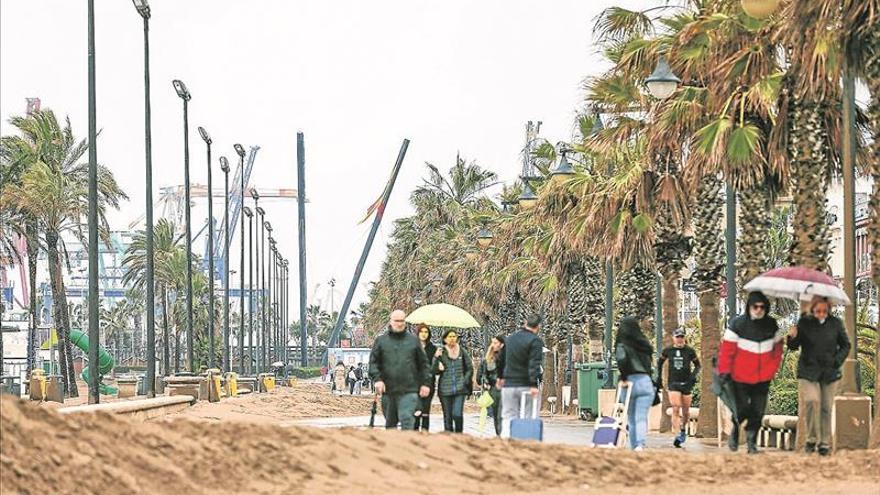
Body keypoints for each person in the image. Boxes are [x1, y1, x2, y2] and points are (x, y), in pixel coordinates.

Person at [717, 291, 783, 454]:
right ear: (749, 307)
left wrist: (771, 369)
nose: (759, 310)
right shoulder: (737, 324)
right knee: (741, 409)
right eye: (755, 306)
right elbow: (727, 351)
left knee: (758, 411)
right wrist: (725, 371)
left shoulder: (772, 325)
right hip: (739, 376)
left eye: (762, 307)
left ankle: (751, 443)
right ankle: (736, 430)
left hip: (763, 377)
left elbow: (778, 350)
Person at [787, 296, 851, 456]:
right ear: (813, 310)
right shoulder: (804, 323)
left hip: (829, 372)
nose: (821, 314)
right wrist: (792, 336)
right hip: (808, 371)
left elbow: (845, 345)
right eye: (817, 311)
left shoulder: (836, 323)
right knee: (812, 400)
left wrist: (837, 361)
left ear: (828, 310)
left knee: (826, 408)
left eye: (824, 311)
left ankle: (824, 443)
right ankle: (811, 439)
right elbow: (793, 347)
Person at [368, 310, 432, 430]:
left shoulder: (413, 341)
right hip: (388, 390)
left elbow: (424, 365)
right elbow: (373, 363)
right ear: (391, 322)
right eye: (397, 321)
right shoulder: (381, 341)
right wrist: (377, 380)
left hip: (409, 390)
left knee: (407, 419)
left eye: (402, 321)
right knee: (390, 424)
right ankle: (395, 448)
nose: (399, 324)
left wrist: (425, 384)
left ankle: (407, 447)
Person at [499, 314, 544, 438]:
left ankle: (506, 439)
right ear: (538, 326)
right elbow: (534, 363)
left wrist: (500, 377)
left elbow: (501, 359)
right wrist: (534, 384)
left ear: (525, 323)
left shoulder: (510, 339)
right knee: (528, 415)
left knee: (508, 415)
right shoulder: (535, 341)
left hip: (508, 385)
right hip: (525, 386)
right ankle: (525, 440)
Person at [616, 316, 656, 451]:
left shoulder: (622, 344)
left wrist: (624, 376)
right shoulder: (644, 344)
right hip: (645, 382)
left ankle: (634, 447)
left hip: (629, 383)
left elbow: (622, 360)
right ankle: (639, 444)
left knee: (631, 418)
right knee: (641, 417)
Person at [657, 327, 701, 448]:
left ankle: (682, 430)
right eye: (677, 337)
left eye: (682, 337)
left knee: (686, 412)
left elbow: (698, 365)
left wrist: (693, 377)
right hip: (673, 383)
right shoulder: (668, 350)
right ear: (673, 338)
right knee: (676, 407)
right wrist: (659, 378)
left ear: (684, 338)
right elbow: (659, 362)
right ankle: (676, 434)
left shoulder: (690, 351)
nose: (680, 339)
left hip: (686, 383)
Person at [433, 329, 474, 433]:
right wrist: (436, 358)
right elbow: (433, 370)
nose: (452, 339)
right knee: (448, 417)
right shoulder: (441, 352)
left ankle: (459, 435)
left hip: (460, 389)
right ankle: (449, 439)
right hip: (445, 390)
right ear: (445, 339)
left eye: (454, 336)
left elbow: (470, 368)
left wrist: (465, 380)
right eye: (450, 337)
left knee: (457, 414)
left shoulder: (462, 351)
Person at [477, 335, 506, 436]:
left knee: (502, 413)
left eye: (495, 343)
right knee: (496, 413)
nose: (493, 345)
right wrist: (484, 381)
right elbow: (482, 374)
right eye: (492, 343)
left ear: (502, 344)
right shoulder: (488, 359)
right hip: (493, 389)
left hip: (505, 388)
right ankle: (499, 434)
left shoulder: (506, 357)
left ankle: (502, 433)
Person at [414, 324, 437, 432]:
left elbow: (436, 369)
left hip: (429, 382)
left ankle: (425, 432)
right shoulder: (413, 347)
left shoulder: (433, 349)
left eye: (426, 332)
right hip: (414, 383)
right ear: (418, 333)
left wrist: (437, 358)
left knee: (425, 409)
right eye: (421, 332)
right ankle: (414, 432)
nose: (424, 334)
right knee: (416, 409)